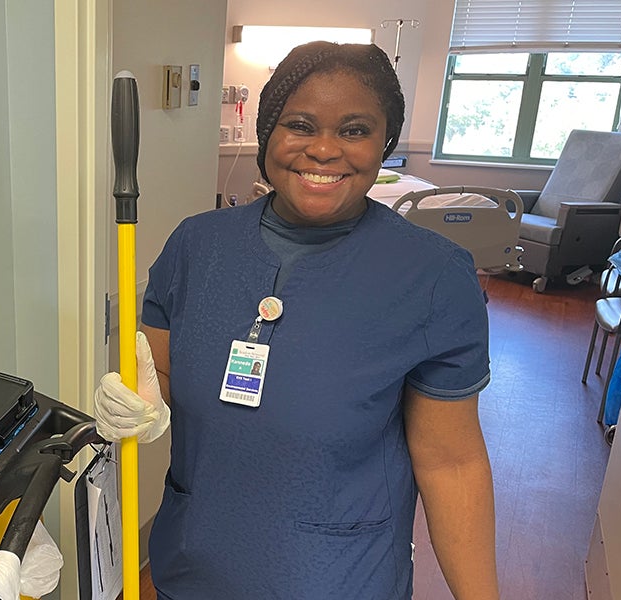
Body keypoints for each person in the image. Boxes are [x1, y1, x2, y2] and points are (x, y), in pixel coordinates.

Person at [94, 41, 499, 599]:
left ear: (385, 141)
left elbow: (451, 462)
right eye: (300, 125)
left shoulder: (431, 276)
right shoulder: (196, 246)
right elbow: (161, 380)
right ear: (267, 134)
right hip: (192, 569)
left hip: (337, 576)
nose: (325, 150)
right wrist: (140, 405)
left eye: (355, 130)